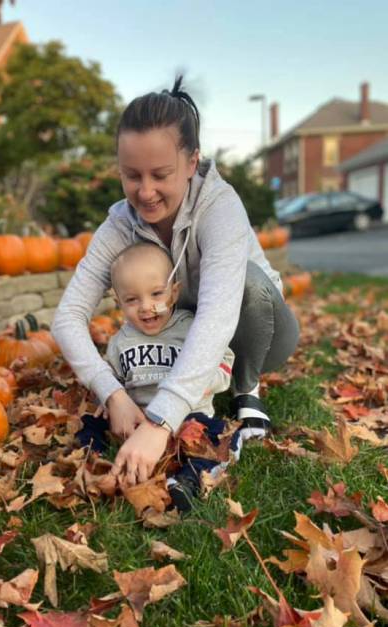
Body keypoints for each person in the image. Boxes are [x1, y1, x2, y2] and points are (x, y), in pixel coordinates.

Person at [52, 75, 300, 486]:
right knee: (146, 306)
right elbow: (68, 316)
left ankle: (245, 388)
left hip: (258, 331)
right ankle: (191, 384)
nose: (145, 191)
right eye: (132, 175)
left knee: (248, 283)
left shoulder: (220, 207)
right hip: (185, 336)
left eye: (160, 174)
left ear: (191, 163)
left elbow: (220, 315)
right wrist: (112, 393)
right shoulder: (120, 224)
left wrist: (159, 421)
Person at [75, 241, 240, 509]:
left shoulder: (192, 329)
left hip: (189, 417)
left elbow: (223, 364)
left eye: (156, 294)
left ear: (174, 293)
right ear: (118, 303)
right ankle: (92, 463)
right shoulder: (120, 342)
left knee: (216, 437)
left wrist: (203, 382)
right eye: (132, 299)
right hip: (139, 420)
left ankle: (188, 483)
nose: (146, 306)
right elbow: (113, 379)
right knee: (89, 423)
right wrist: (108, 401)